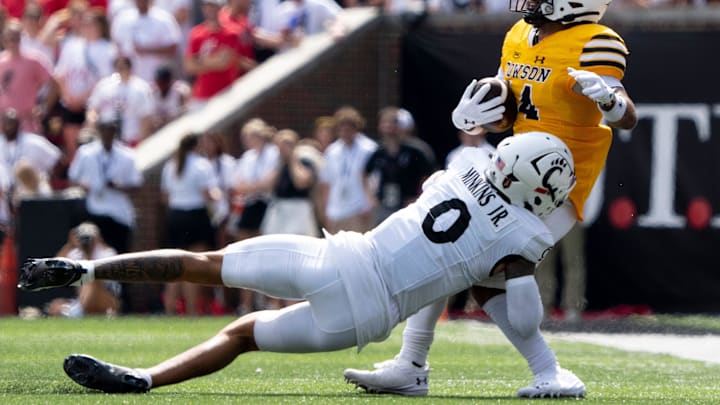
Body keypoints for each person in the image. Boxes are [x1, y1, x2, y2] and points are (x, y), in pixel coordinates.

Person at [19, 132, 577, 395]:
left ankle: (87, 270)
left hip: (337, 256)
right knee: (242, 335)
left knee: (203, 262)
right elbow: (520, 316)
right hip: (362, 317)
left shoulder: (462, 169)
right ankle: (145, 380)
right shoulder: (522, 234)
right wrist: (514, 271)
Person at [344, 0, 638, 398]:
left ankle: (421, 364)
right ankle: (415, 364)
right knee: (448, 252)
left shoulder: (596, 42)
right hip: (509, 169)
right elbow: (507, 109)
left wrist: (610, 101)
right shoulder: (520, 33)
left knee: (482, 262)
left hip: (553, 187)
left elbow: (626, 118)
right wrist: (474, 115)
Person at [160, 133, 221, 315]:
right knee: (193, 264)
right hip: (195, 216)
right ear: (196, 145)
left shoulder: (170, 166)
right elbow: (207, 195)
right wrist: (219, 196)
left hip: (175, 217)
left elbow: (165, 197)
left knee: (175, 265)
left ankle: (170, 309)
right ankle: (193, 310)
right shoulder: (201, 165)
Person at [46, 222, 121, 318]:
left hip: (106, 298)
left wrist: (89, 256)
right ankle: (79, 311)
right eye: (83, 238)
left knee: (91, 275)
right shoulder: (76, 254)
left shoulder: (106, 253)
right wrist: (69, 244)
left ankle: (81, 312)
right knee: (55, 307)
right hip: (83, 300)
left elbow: (102, 282)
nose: (86, 242)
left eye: (89, 238)